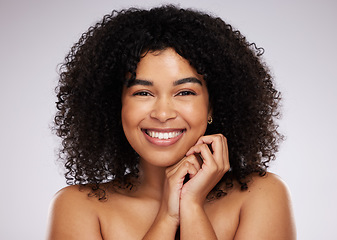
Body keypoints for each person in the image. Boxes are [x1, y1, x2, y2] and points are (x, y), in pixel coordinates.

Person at [47, 5, 296, 239]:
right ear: (116, 106)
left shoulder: (260, 195)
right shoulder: (79, 207)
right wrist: (168, 216)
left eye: (185, 92)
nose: (163, 114)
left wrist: (192, 205)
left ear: (212, 106)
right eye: (143, 93)